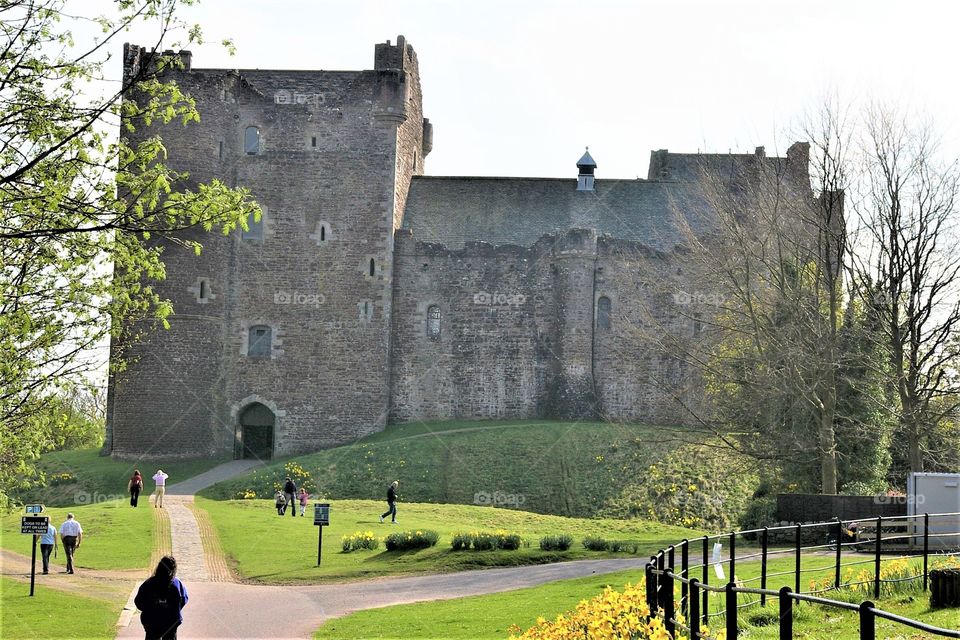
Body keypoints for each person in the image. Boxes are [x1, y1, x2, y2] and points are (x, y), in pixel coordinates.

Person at [135, 555, 188, 640]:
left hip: (151, 621)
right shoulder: (177, 584)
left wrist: (151, 608)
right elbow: (184, 599)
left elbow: (139, 602)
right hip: (171, 623)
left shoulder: (149, 583)